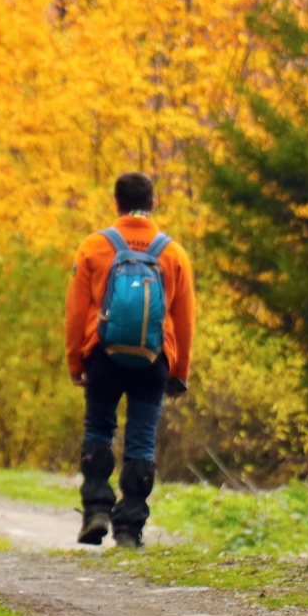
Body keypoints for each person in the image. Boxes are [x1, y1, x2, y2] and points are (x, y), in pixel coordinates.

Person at [63, 172, 196, 548]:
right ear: (152, 203)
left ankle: (96, 509)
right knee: (141, 441)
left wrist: (76, 362)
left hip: (103, 356)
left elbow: (75, 312)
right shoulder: (173, 253)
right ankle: (129, 528)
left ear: (116, 202)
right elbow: (185, 319)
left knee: (98, 430)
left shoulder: (94, 246)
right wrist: (179, 372)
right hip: (153, 360)